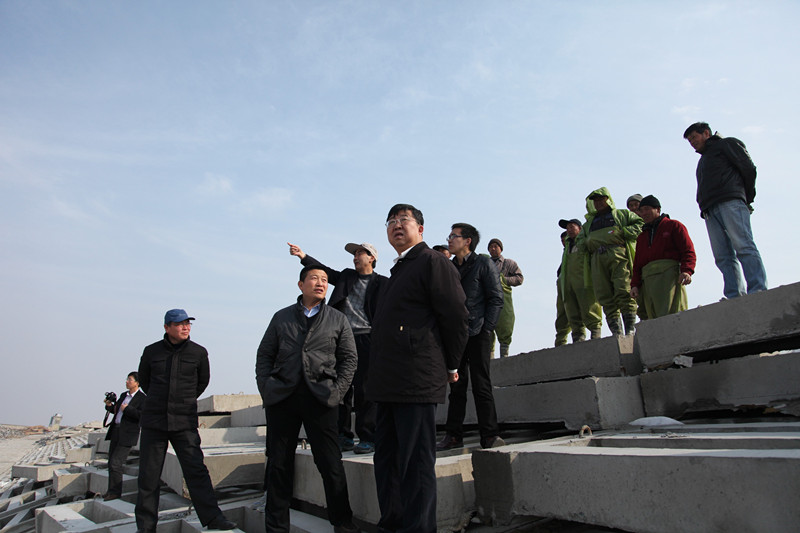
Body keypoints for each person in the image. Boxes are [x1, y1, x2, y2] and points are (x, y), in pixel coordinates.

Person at [367, 203, 468, 533]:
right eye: (391, 221)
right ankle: (392, 524)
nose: (396, 225)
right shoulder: (397, 271)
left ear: (420, 229)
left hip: (415, 377)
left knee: (416, 463)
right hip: (387, 381)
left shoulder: (432, 261)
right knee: (387, 462)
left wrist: (451, 363)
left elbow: (455, 316)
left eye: (404, 220)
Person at [255, 266, 359, 533]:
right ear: (301, 285)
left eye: (324, 279)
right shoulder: (281, 317)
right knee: (278, 465)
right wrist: (267, 388)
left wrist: (337, 392)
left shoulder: (337, 318)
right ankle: (276, 528)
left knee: (330, 464)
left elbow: (349, 359)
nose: (321, 283)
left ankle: (343, 524)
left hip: (321, 398)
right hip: (283, 398)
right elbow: (264, 355)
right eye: (314, 278)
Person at [135, 309, 236, 533]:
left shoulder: (198, 352)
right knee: (148, 476)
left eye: (188, 323)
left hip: (184, 421)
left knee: (196, 471)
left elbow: (202, 382)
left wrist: (183, 400)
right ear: (167, 327)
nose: (185, 327)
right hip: (154, 421)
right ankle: (145, 527)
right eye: (180, 324)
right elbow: (145, 382)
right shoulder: (151, 351)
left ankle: (213, 518)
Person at [288, 241, 387, 455]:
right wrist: (303, 256)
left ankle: (368, 437)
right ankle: (343, 436)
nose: (355, 257)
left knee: (365, 389)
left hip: (367, 338)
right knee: (341, 389)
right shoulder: (346, 276)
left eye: (360, 253)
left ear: (372, 258)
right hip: (341, 338)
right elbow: (325, 271)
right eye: (354, 254)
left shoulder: (383, 283)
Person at [438, 224, 504, 451]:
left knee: (481, 384)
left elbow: (496, 298)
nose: (449, 240)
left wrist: (487, 329)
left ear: (467, 241)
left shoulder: (483, 263)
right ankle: (453, 436)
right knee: (456, 387)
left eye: (453, 236)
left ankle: (490, 435)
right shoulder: (448, 267)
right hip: (454, 335)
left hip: (478, 331)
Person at [683, 122, 767, 298]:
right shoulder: (703, 160)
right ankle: (734, 294)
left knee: (743, 246)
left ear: (706, 133)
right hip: (709, 209)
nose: (692, 142)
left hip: (731, 201)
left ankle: (758, 288)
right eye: (689, 140)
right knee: (722, 256)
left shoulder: (727, 144)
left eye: (694, 137)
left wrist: (746, 197)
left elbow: (748, 168)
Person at [577, 187, 643, 336]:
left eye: (601, 199)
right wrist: (588, 242)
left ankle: (630, 329)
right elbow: (580, 242)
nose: (598, 203)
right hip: (597, 259)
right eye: (595, 201)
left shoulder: (622, 215)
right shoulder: (588, 224)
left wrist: (623, 232)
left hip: (618, 254)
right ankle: (616, 332)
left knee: (624, 289)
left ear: (608, 199)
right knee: (604, 295)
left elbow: (640, 224)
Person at [630, 195, 696, 319]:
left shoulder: (674, 226)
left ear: (658, 210)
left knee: (673, 315)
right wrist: (635, 285)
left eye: (647, 209)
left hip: (669, 278)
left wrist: (687, 270)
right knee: (652, 318)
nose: (644, 213)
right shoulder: (642, 237)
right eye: (641, 210)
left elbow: (688, 251)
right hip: (648, 283)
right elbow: (637, 265)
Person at [103, 372, 146, 501]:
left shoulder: (142, 398)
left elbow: (142, 416)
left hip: (127, 434)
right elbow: (117, 411)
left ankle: (115, 492)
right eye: (127, 379)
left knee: (116, 463)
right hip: (116, 431)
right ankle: (111, 491)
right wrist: (109, 406)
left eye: (130, 380)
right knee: (111, 462)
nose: (127, 381)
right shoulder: (123, 396)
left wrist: (127, 409)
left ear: (137, 383)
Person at [558, 219, 603, 342]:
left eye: (572, 227)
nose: (569, 230)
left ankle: (595, 332)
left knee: (590, 307)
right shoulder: (568, 246)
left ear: (580, 228)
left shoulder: (584, 242)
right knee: (572, 311)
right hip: (568, 284)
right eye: (567, 228)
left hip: (585, 282)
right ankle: (578, 336)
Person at [486, 238, 524, 358]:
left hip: (504, 301)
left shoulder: (509, 263)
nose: (493, 249)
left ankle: (505, 356)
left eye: (495, 246)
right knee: (487, 330)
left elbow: (519, 278)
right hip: (487, 301)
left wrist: (504, 280)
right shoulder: (485, 263)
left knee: (505, 326)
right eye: (491, 247)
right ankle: (490, 358)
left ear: (501, 249)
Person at [555, 231, 571, 346]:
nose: (563, 242)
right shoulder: (565, 253)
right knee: (562, 315)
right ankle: (560, 342)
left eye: (565, 239)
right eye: (561, 240)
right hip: (563, 288)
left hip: (576, 285)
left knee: (578, 312)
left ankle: (580, 337)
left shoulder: (579, 247)